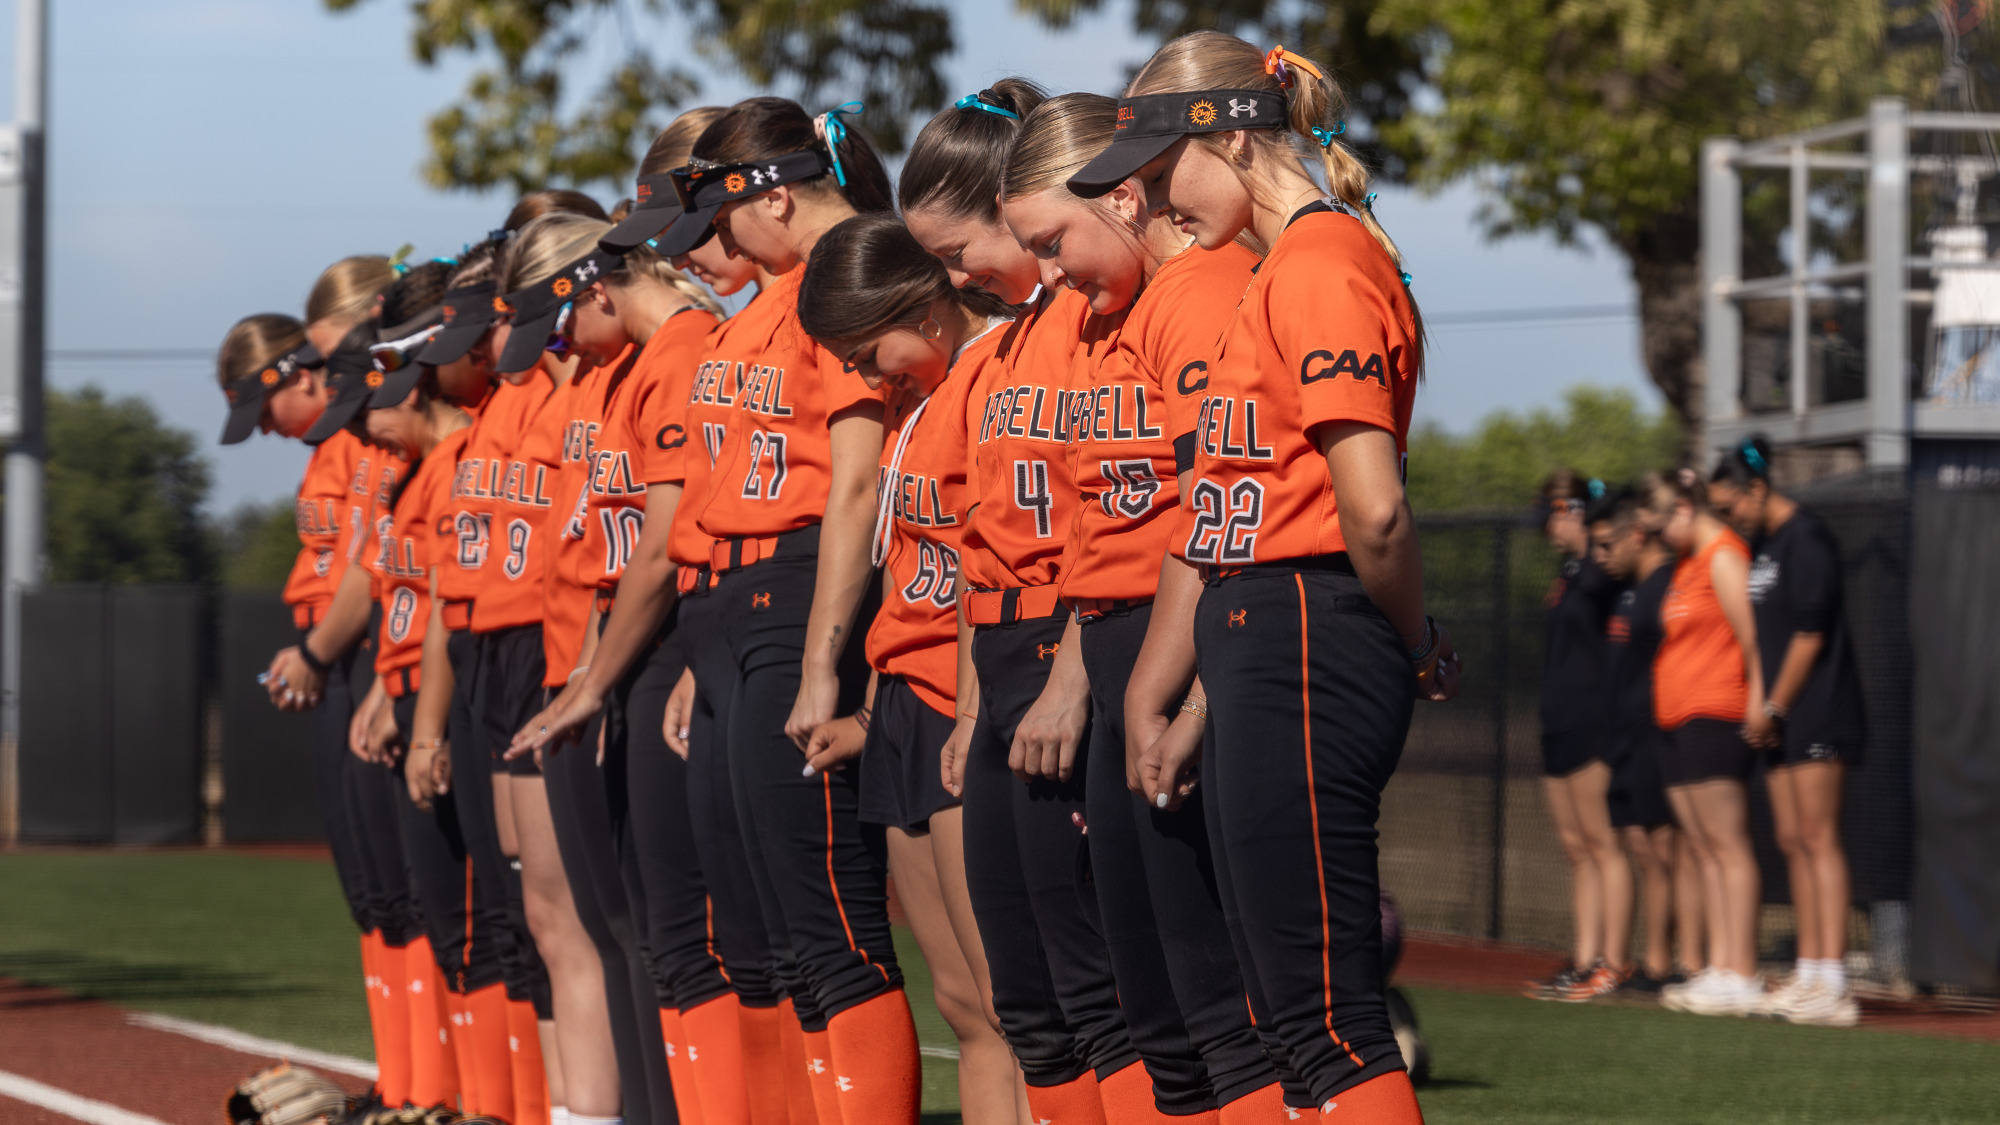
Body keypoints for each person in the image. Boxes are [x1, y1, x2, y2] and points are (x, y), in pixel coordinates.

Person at [1077, 30, 1458, 1121]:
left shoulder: (1325, 260)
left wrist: (1417, 637)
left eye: (1157, 175)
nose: (1147, 204)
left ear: (1229, 136)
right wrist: (1168, 691)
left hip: (1310, 625)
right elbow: (1224, 507)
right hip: (1265, 633)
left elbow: (1372, 509)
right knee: (1289, 1019)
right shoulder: (1273, 270)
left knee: (1323, 1021)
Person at [1001, 91, 1287, 1120]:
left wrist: (1189, 694)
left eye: (1052, 239)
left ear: (1123, 197)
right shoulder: (1104, 317)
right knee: (1157, 1009)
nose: (1046, 273)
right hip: (1129, 647)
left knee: (1216, 1008)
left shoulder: (1197, 291)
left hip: (1193, 649)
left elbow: (1223, 506)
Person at [651, 94, 922, 1125]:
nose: (711, 243)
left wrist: (819, 660)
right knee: (758, 933)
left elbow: (853, 482)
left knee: (826, 924)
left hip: (803, 590)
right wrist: (697, 650)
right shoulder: (757, 303)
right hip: (733, 607)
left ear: (767, 195)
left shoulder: (840, 276)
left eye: (722, 215)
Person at [794, 211, 1023, 1125]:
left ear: (922, 309)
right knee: (965, 1004)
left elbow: (983, 568)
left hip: (962, 703)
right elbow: (911, 580)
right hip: (903, 706)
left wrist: (967, 711)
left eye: (865, 351)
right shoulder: (912, 402)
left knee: (1013, 999)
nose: (862, 376)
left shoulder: (992, 371)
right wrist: (874, 704)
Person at [497, 209, 675, 1125]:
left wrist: (597, 681)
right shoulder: (606, 380)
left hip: (642, 666)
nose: (558, 347)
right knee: (616, 931)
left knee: (663, 938)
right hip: (585, 662)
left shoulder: (666, 358)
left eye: (559, 322)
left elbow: (658, 550)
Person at [400, 238, 557, 1124]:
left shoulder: (548, 399)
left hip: (547, 646)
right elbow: (443, 599)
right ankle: (506, 1107)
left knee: (585, 920)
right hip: (485, 655)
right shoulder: (492, 419)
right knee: (512, 912)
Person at [1710, 436, 1865, 1028]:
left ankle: (1833, 980)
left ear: (1757, 489)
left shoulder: (1807, 537)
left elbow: (1809, 635)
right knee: (1794, 838)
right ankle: (1809, 970)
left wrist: (1772, 706)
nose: (1730, 520)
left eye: (1731, 508)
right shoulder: (1767, 544)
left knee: (1819, 838)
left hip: (1817, 707)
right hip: (1781, 717)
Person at [1651, 470, 1766, 1018]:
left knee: (1727, 845)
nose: (1654, 534)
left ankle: (1741, 970)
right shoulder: (1685, 564)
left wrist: (1761, 701)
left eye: (1659, 521)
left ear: (1683, 507)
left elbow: (1752, 636)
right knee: (1703, 849)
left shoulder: (1723, 553)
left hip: (1716, 711)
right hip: (1676, 717)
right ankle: (1721, 967)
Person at [1524, 471, 1630, 1001]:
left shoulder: (1602, 568)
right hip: (1558, 720)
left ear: (1571, 510)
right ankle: (1586, 959)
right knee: (1576, 848)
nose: (1546, 526)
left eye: (1552, 513)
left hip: (1593, 719)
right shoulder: (1570, 571)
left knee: (1602, 844)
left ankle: (1612, 962)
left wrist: (1596, 517)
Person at [1589, 483, 1698, 994]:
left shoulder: (1668, 584)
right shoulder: (1627, 589)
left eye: (1608, 545)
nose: (1600, 556)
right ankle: (1653, 962)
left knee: (1669, 853)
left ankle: (1679, 962)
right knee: (1645, 851)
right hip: (1625, 739)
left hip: (1659, 734)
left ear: (1638, 533)